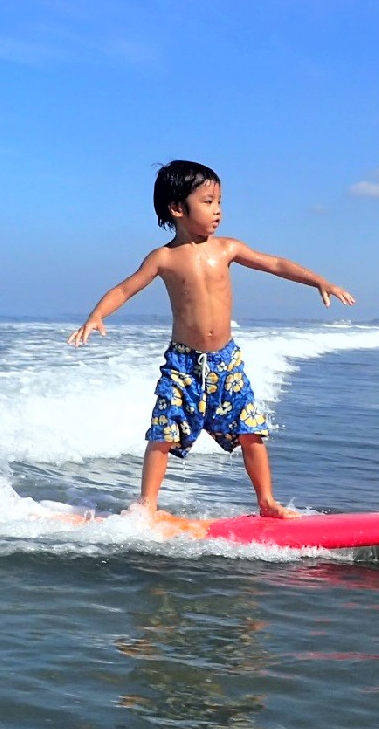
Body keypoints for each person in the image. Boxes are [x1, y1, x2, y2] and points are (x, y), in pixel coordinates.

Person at [68, 160, 355, 520]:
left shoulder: (227, 249)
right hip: (183, 363)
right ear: (177, 208)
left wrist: (319, 281)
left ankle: (267, 503)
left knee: (251, 430)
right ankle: (147, 506)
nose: (217, 209)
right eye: (207, 201)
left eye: (219, 200)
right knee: (164, 431)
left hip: (225, 360)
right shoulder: (164, 258)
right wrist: (97, 315)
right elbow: (126, 288)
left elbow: (275, 264)